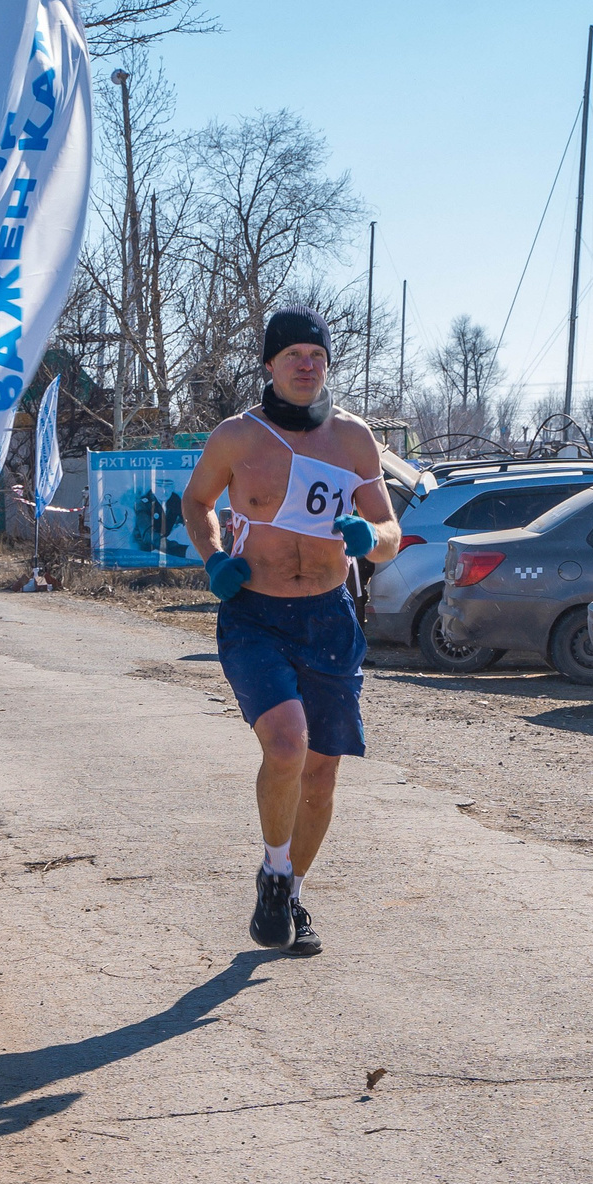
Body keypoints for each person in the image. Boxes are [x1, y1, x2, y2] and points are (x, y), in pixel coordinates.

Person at [182, 307, 400, 956]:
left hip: (330, 617)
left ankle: (289, 890)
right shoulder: (236, 437)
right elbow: (197, 501)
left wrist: (370, 536)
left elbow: (391, 533)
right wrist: (214, 558)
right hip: (256, 614)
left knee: (322, 774)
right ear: (269, 365)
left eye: (317, 355)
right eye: (294, 355)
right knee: (286, 745)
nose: (307, 365)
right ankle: (276, 871)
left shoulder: (354, 439)